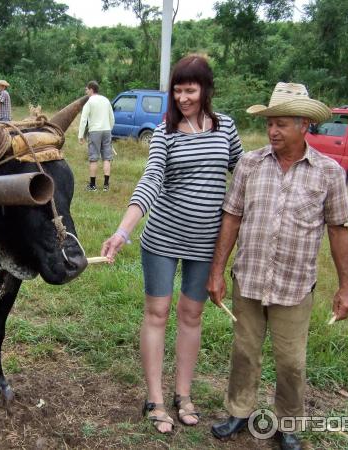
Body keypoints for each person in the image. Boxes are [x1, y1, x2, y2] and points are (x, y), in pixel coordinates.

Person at [206, 82, 348, 450]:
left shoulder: (328, 172)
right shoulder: (250, 164)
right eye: (270, 123)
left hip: (294, 285)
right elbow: (231, 218)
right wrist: (217, 271)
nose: (273, 130)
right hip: (250, 279)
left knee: (291, 362)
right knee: (244, 352)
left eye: (282, 123)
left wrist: (346, 288)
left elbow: (338, 231)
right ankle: (239, 412)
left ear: (304, 125)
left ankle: (287, 424)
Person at [101, 54, 244, 434]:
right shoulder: (165, 132)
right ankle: (155, 398)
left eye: (190, 90)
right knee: (158, 313)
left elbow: (244, 174)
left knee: (191, 315)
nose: (182, 98)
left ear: (206, 90)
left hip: (205, 243)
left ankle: (183, 393)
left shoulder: (226, 128)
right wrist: (123, 230)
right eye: (177, 91)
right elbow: (150, 180)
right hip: (162, 237)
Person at [78, 81, 115, 191]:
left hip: (95, 132)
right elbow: (112, 118)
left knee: (94, 158)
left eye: (86, 89)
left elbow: (83, 119)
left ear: (91, 89)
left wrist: (80, 135)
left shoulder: (89, 102)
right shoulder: (106, 100)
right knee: (107, 158)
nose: (86, 92)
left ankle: (93, 185)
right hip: (107, 130)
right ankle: (106, 186)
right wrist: (109, 128)